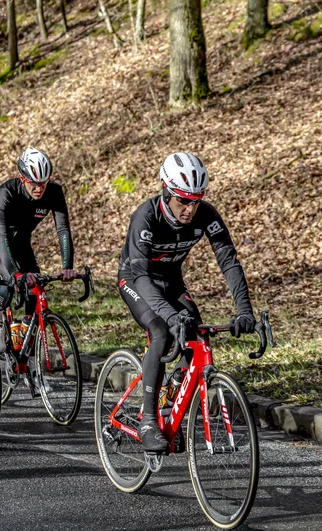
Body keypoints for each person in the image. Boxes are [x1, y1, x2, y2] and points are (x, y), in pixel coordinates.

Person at [117, 152, 256, 452]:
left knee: (194, 330)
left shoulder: (205, 214)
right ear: (167, 192)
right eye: (183, 200)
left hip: (171, 280)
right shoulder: (146, 215)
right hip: (136, 279)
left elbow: (229, 261)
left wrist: (244, 310)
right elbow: (141, 277)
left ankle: (174, 399)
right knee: (162, 331)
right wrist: (168, 316)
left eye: (196, 200)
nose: (190, 209)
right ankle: (149, 420)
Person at [0, 147, 76, 396]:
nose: (39, 188)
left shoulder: (54, 193)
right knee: (10, 280)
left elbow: (63, 231)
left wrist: (67, 266)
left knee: (34, 295)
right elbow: (2, 237)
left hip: (22, 240)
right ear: (22, 178)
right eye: (34, 183)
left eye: (43, 183)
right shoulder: (5, 193)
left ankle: (26, 358)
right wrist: (15, 274)